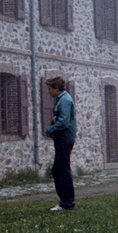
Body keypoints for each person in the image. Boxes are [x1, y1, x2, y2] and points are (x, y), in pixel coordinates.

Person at [44, 76, 76, 211]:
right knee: (58, 170)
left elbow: (63, 122)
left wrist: (50, 130)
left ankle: (67, 203)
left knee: (62, 170)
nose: (48, 92)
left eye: (50, 89)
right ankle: (65, 201)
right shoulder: (62, 99)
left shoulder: (64, 100)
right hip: (62, 138)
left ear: (56, 88)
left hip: (64, 138)